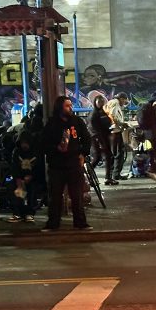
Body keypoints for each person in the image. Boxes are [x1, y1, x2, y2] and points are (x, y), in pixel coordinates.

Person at [42, 96, 92, 231]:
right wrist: (56, 148)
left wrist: (83, 154)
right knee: (55, 196)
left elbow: (87, 138)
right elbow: (44, 143)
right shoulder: (52, 123)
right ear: (60, 107)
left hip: (74, 163)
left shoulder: (77, 121)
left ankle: (80, 222)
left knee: (77, 195)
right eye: (67, 106)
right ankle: (53, 223)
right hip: (57, 165)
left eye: (71, 105)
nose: (70, 108)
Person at [7, 126, 39, 223]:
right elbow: (14, 167)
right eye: (22, 143)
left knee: (32, 189)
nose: (24, 145)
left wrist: (31, 176)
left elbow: (38, 167)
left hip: (32, 178)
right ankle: (18, 213)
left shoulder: (35, 151)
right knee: (15, 189)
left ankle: (29, 213)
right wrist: (18, 178)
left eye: (26, 143)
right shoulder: (16, 152)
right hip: (19, 178)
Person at [89, 94, 114, 184]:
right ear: (95, 102)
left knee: (108, 157)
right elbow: (93, 128)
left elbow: (107, 122)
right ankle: (89, 176)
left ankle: (108, 178)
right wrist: (99, 141)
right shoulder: (94, 114)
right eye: (99, 101)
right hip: (98, 139)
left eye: (102, 101)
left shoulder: (102, 112)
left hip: (104, 137)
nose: (101, 103)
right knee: (97, 158)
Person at [105, 92, 129, 182]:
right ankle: (115, 174)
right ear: (122, 98)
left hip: (114, 131)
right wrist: (122, 124)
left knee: (117, 153)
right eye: (124, 100)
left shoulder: (113, 103)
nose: (124, 103)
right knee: (118, 153)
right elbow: (113, 115)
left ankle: (115, 174)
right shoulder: (115, 103)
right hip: (115, 131)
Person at [136, 91, 156, 174]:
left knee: (150, 151)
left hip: (146, 134)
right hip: (155, 133)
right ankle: (155, 168)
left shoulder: (144, 106)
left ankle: (151, 167)